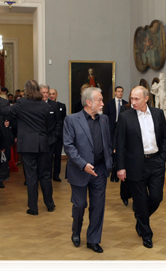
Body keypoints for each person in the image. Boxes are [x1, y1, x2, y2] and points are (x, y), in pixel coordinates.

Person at [0, 80, 55, 215]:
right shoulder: (44, 105)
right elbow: (48, 125)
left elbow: (3, 110)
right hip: (42, 143)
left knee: (31, 176)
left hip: (27, 144)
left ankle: (33, 208)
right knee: (45, 175)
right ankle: (49, 204)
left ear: (26, 90)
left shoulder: (22, 103)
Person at [115, 86, 166, 249]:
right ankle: (146, 234)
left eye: (136, 99)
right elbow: (120, 144)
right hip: (135, 165)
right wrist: (121, 167)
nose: (133, 102)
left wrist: (162, 159)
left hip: (156, 163)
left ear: (146, 98)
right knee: (140, 200)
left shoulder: (158, 114)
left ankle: (140, 218)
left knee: (156, 197)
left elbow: (165, 139)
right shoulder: (125, 117)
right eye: (131, 98)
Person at [63, 87, 113, 253]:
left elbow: (108, 144)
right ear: (89, 102)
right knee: (79, 205)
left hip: (99, 171)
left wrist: (109, 163)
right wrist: (83, 164)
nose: (102, 103)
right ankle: (76, 231)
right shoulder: (71, 120)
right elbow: (69, 146)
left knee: (98, 206)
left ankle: (93, 240)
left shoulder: (104, 119)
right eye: (99, 100)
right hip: (80, 170)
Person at [39, 84, 62, 188]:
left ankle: (47, 180)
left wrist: (56, 134)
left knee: (49, 160)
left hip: (51, 138)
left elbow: (58, 121)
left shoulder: (54, 105)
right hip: (38, 138)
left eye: (46, 92)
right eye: (43, 92)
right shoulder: (36, 104)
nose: (45, 94)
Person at [49, 88, 67, 182]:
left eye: (53, 94)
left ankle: (56, 174)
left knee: (58, 156)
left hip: (59, 136)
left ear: (57, 94)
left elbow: (64, 121)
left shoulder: (62, 106)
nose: (51, 95)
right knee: (48, 157)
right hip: (49, 136)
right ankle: (48, 174)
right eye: (50, 94)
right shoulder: (46, 105)